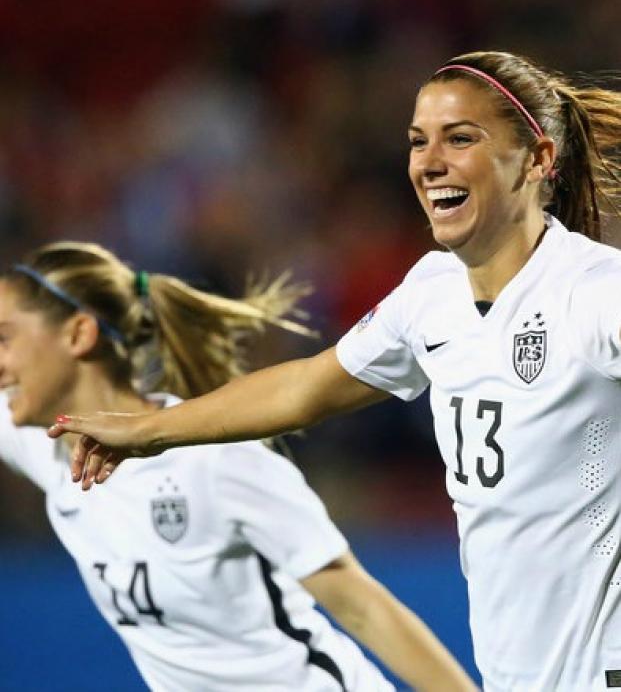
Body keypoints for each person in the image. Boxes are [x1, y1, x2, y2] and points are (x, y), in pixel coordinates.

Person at [52, 49, 621, 692]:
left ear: (538, 160)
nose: (429, 162)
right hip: (518, 671)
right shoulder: (431, 293)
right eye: (417, 141)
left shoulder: (595, 293)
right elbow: (306, 387)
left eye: (460, 138)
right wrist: (155, 430)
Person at [0, 240, 477, 692]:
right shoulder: (47, 446)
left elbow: (361, 606)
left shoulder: (213, 460)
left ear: (78, 333)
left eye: (5, 338)